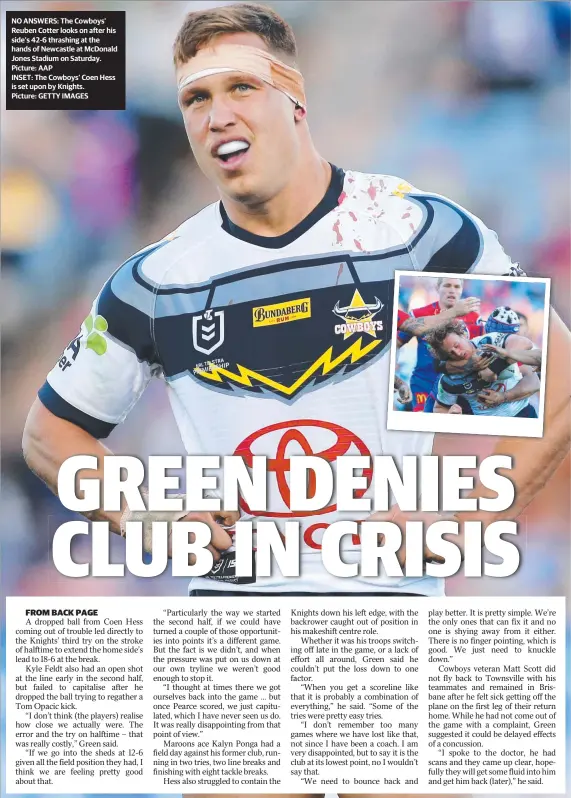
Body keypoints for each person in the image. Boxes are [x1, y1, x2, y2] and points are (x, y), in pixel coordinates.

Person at [22, 5, 571, 798]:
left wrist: (461, 520)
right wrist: (143, 516)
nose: (218, 115)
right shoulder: (157, 281)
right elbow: (52, 434)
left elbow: (543, 395)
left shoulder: (405, 236)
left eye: (241, 86)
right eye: (196, 98)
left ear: (295, 99)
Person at [398, 277, 484, 411]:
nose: (452, 291)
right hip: (425, 383)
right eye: (447, 285)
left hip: (457, 386)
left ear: (461, 290)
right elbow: (395, 345)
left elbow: (480, 352)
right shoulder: (419, 315)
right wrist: (396, 379)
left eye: (456, 287)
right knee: (423, 426)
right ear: (437, 288)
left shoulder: (474, 319)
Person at [426, 320, 540, 416]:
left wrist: (494, 368)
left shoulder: (488, 342)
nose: (458, 353)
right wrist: (451, 416)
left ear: (463, 335)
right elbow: (439, 408)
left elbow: (524, 343)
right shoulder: (450, 378)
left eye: (457, 345)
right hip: (486, 426)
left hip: (522, 414)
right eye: (451, 353)